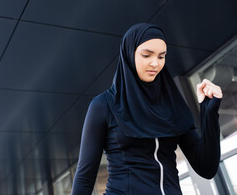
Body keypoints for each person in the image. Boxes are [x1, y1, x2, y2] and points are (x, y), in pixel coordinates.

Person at [71, 23, 222, 195]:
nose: (155, 63)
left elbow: (206, 168)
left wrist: (209, 112)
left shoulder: (172, 105)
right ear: (129, 54)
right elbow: (84, 177)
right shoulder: (103, 105)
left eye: (161, 56)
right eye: (146, 55)